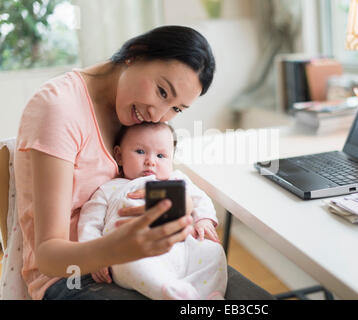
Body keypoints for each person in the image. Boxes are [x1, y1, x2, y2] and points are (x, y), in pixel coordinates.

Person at [14, 25, 274, 300]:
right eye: (162, 92)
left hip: (164, 259)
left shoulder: (140, 120)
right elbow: (48, 257)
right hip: (76, 276)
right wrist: (115, 249)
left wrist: (181, 209)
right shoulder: (60, 109)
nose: (158, 115)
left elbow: (162, 182)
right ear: (135, 55)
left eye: (176, 109)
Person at [78, 122, 227, 300]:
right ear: (119, 156)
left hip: (181, 247)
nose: (151, 161)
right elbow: (90, 222)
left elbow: (200, 199)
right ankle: (171, 291)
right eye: (140, 152)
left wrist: (204, 220)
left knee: (213, 251)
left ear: (171, 159)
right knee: (127, 263)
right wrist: (96, 255)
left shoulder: (176, 179)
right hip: (132, 249)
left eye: (161, 155)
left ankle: (208, 294)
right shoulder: (110, 188)